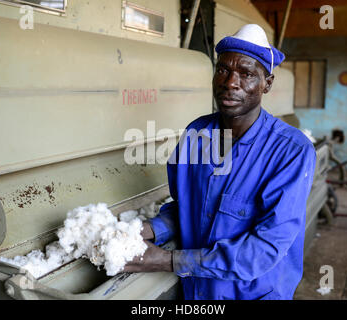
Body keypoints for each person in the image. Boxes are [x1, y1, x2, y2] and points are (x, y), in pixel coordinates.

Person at [123, 24, 316, 300]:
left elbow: (266, 249)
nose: (230, 83)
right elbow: (187, 209)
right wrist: (151, 229)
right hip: (198, 294)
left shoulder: (290, 152)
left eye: (246, 74)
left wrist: (166, 261)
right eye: (223, 70)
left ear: (267, 83)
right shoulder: (196, 136)